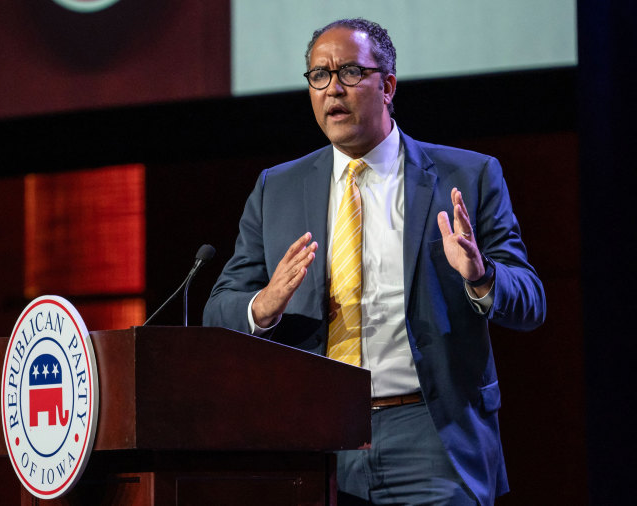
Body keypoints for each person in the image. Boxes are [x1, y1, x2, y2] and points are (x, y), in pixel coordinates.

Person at [203, 17, 545, 506]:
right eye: (318, 76)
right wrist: (263, 304)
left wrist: (481, 276)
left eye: (348, 72)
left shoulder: (467, 176)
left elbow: (531, 302)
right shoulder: (275, 188)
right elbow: (220, 309)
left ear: (386, 86)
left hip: (431, 431)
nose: (332, 89)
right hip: (314, 436)